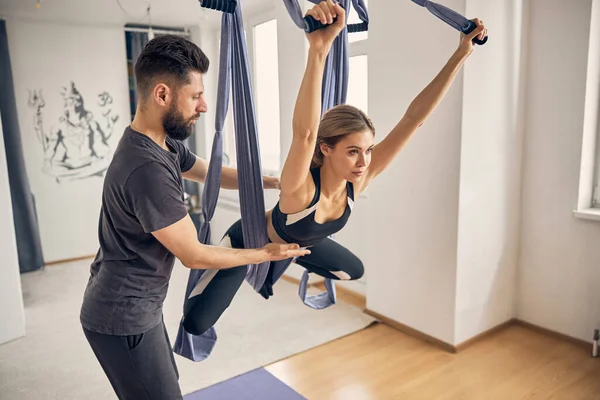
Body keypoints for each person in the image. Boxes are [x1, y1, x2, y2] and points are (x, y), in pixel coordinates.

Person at [182, 0, 487, 338]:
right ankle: (255, 256)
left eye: (368, 150)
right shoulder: (298, 187)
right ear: (326, 149)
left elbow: (414, 119)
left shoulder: (359, 180)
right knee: (196, 324)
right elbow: (305, 132)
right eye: (354, 151)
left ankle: (292, 255)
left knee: (352, 272)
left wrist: (461, 55)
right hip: (249, 239)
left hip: (298, 243)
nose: (365, 161)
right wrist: (319, 50)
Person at [79, 35, 310, 400]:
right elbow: (194, 255)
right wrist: (266, 254)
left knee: (167, 387)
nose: (203, 106)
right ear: (162, 95)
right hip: (122, 315)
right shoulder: (147, 168)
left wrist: (272, 181)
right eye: (195, 95)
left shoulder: (161, 142)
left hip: (137, 304)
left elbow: (209, 172)